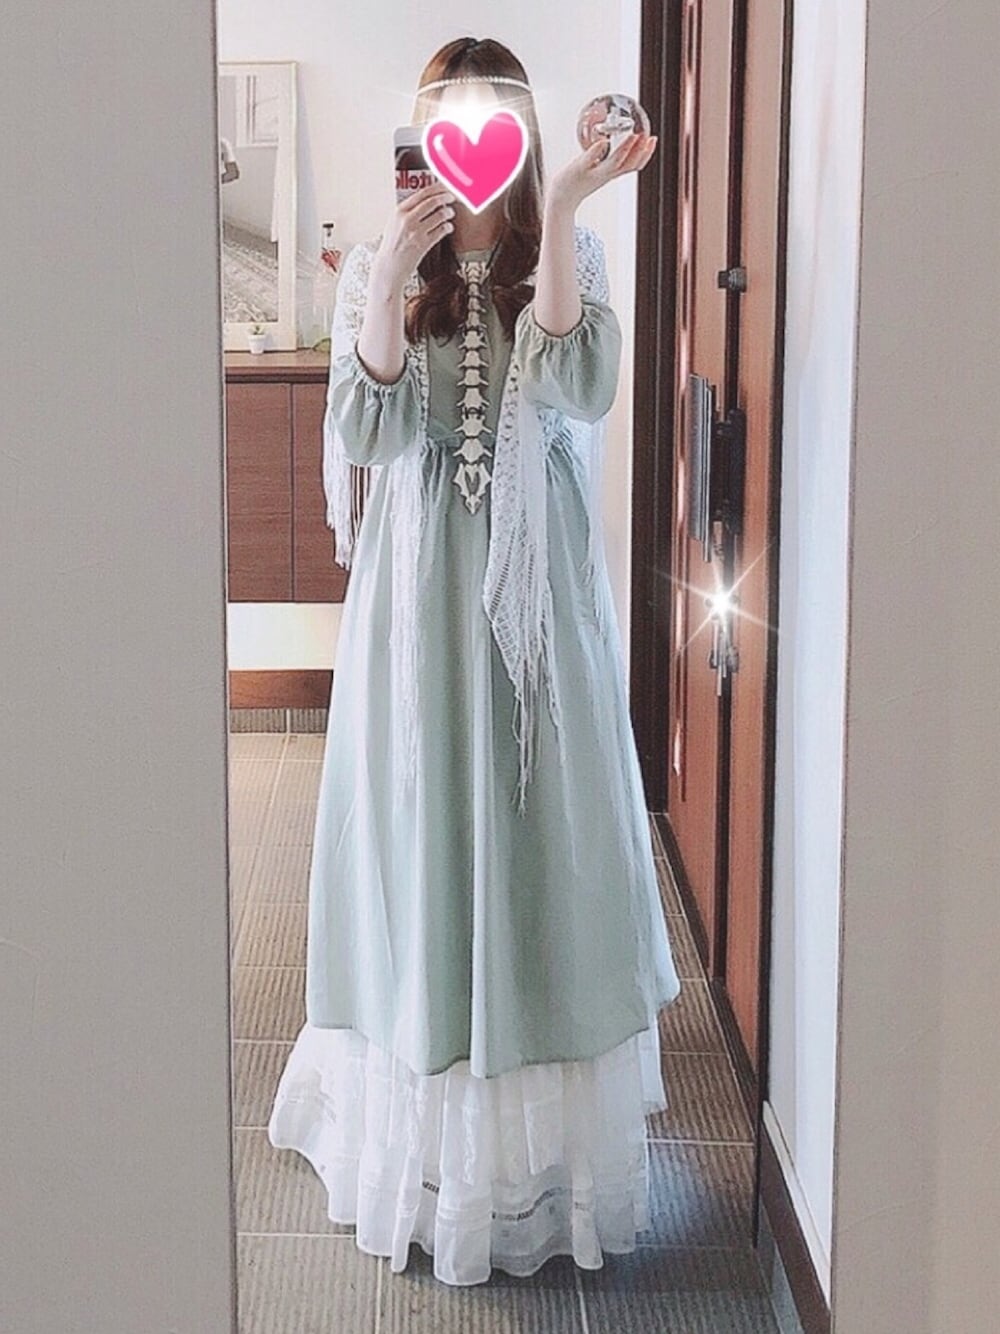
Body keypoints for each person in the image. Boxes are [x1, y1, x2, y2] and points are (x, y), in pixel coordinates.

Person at [267, 37, 682, 1287]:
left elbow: (579, 383)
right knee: (424, 834)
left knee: (538, 835)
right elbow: (366, 428)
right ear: (423, 132)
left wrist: (565, 205)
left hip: (536, 603)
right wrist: (392, 272)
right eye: (447, 118)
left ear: (519, 129)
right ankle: (427, 1152)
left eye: (491, 118)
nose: (468, 143)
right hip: (415, 605)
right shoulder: (384, 266)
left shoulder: (569, 251)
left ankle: (531, 1165)